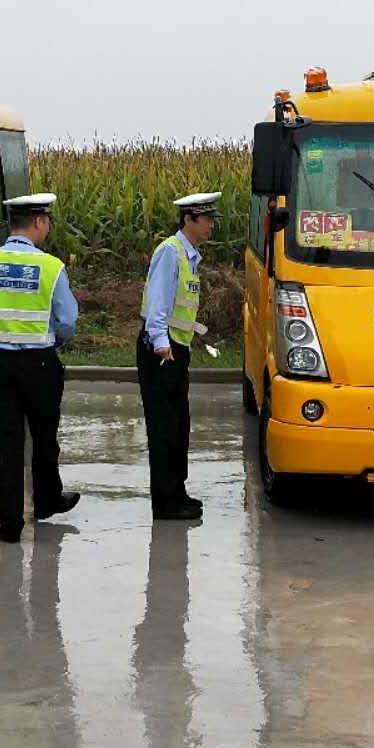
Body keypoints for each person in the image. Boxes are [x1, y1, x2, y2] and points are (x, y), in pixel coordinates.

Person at [0, 193, 81, 544]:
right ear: (38, 222)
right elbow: (68, 319)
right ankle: (46, 502)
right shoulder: (50, 267)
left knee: (7, 440)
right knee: (45, 436)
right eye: (47, 220)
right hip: (40, 363)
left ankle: (10, 523)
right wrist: (53, 340)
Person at [136, 192, 218, 521]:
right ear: (188, 220)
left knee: (179, 425)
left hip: (177, 347)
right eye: (206, 219)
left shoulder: (189, 255)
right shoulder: (170, 252)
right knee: (164, 427)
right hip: (162, 349)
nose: (211, 225)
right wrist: (160, 343)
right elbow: (157, 302)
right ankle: (165, 502)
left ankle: (177, 491)